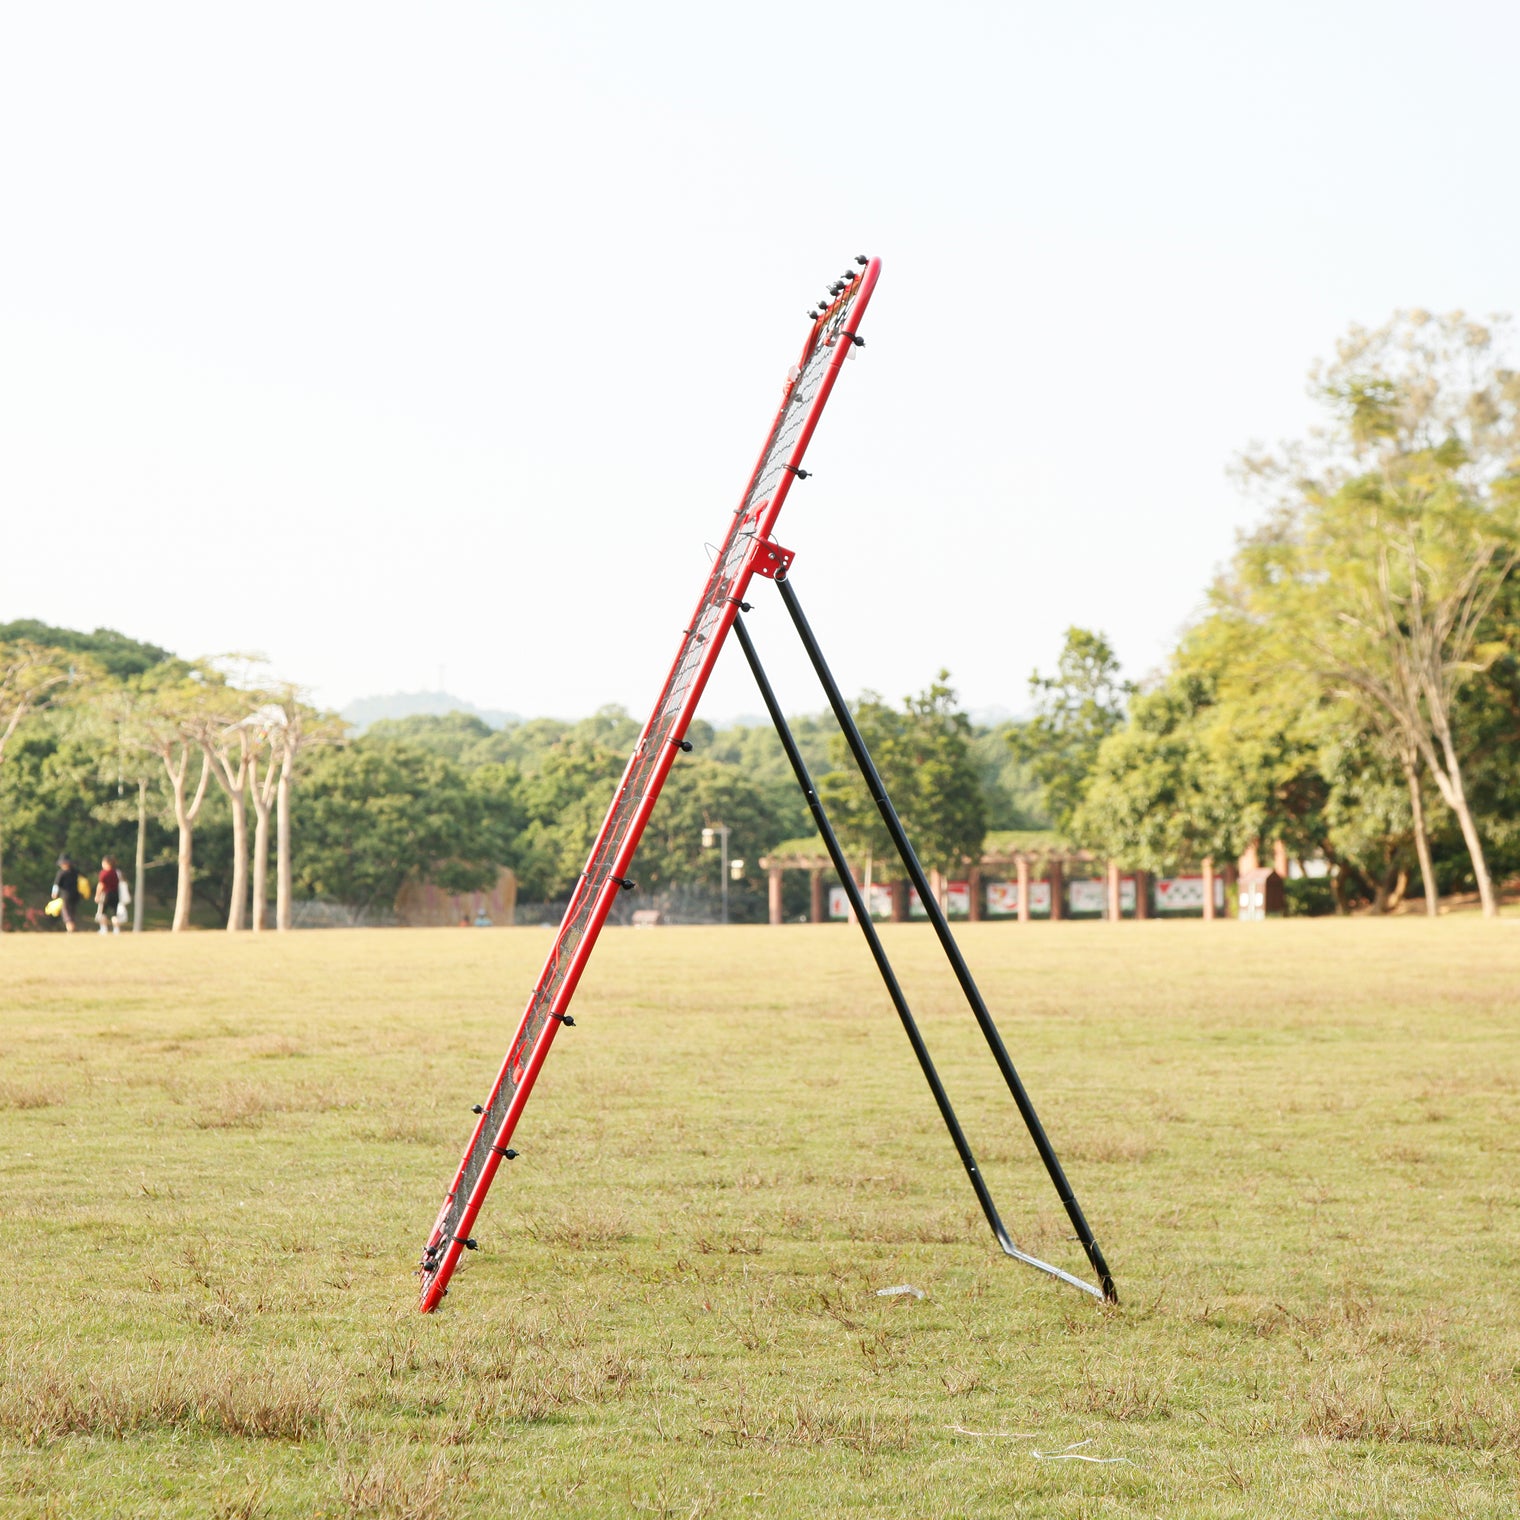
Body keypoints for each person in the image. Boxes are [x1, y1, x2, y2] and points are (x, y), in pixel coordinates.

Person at [52, 855, 81, 934]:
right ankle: (72, 927)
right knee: (72, 911)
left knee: (66, 911)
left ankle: (70, 928)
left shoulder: (61, 873)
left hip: (66, 895)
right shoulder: (75, 871)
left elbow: (56, 884)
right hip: (76, 894)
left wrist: (54, 893)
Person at [97, 855, 121, 935]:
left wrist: (97, 895)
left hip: (106, 894)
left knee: (103, 912)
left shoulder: (104, 873)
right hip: (115, 894)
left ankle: (103, 929)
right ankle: (116, 929)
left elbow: (101, 885)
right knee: (114, 913)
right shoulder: (116, 873)